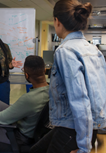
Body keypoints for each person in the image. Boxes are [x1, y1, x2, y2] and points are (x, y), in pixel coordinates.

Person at [29, 0, 106, 153]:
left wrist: (84, 148)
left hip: (73, 129)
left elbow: (80, 100)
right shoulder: (93, 50)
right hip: (86, 127)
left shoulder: (65, 51)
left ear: (57, 21)